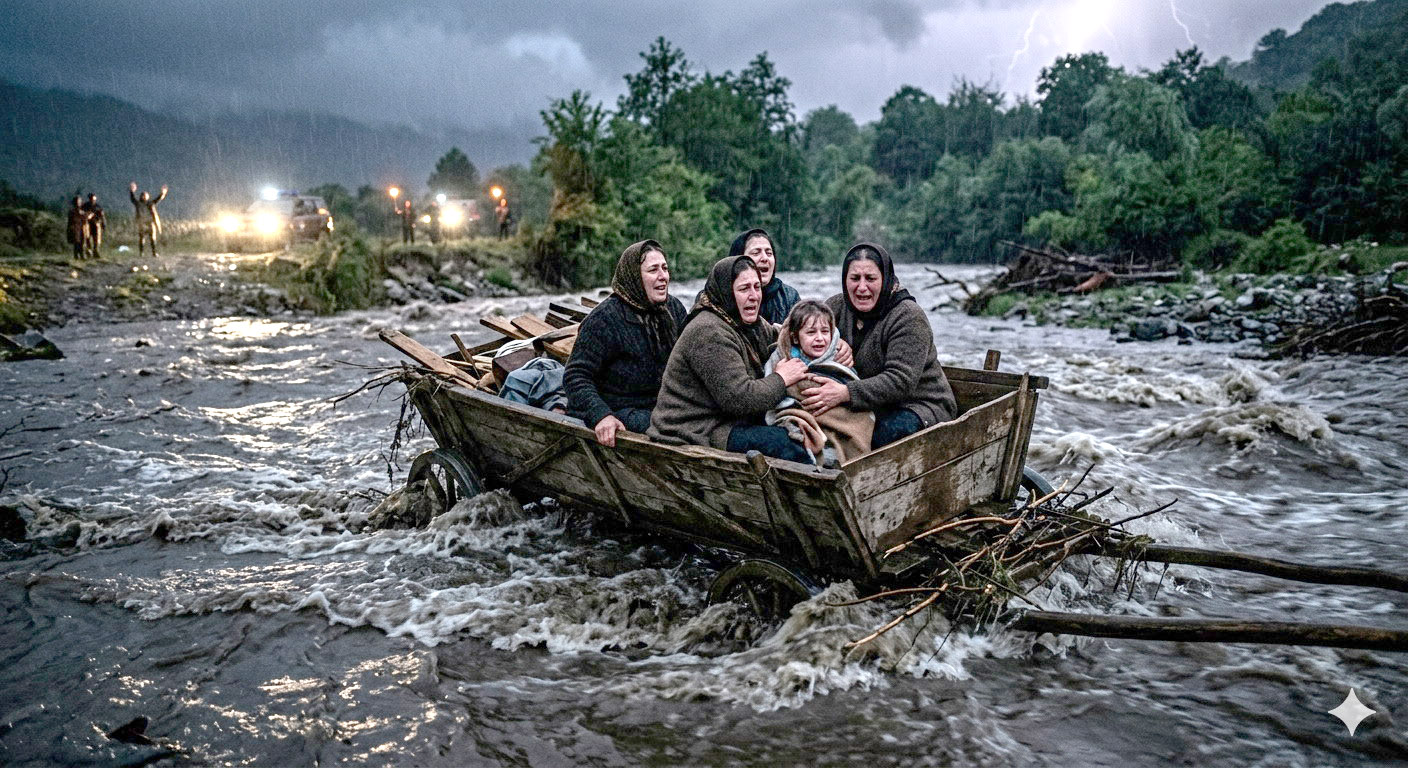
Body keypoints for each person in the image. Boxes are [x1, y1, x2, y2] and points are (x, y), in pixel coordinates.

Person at [647, 254, 811, 463]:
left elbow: (779, 337)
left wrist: (830, 338)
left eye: (757, 287)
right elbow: (740, 399)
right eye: (744, 289)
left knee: (801, 426)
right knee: (785, 443)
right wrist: (781, 378)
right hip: (693, 429)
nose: (754, 296)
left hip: (726, 421)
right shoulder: (708, 331)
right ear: (726, 292)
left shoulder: (744, 321)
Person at [805, 243, 957, 448]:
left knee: (877, 438)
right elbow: (800, 333)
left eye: (870, 279)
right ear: (845, 280)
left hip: (918, 405)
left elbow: (900, 381)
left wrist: (845, 393)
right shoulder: (836, 308)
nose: (861, 287)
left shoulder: (908, 317)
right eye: (854, 278)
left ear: (885, 279)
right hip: (868, 405)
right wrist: (834, 341)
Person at [565, 240, 687, 447]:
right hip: (620, 409)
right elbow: (576, 375)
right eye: (653, 270)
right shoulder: (605, 319)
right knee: (677, 430)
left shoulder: (673, 309)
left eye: (665, 268)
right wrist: (600, 415)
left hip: (663, 406)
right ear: (634, 276)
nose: (663, 276)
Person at [764, 300, 874, 466]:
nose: (820, 338)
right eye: (811, 332)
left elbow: (850, 383)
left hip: (839, 419)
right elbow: (774, 390)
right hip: (804, 417)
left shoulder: (838, 359)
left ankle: (839, 454)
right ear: (795, 337)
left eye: (825, 331)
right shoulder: (783, 361)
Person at [729, 228, 799, 325]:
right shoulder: (720, 296)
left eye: (769, 253)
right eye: (756, 253)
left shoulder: (789, 297)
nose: (765, 258)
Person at [129, 182, 168, 258]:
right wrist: (132, 191)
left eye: (145, 196)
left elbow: (158, 199)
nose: (143, 197)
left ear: (147, 197)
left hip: (150, 223)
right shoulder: (138, 204)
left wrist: (162, 193)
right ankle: (141, 253)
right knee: (142, 238)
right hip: (142, 223)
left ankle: (154, 253)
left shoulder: (150, 203)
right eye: (142, 196)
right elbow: (132, 199)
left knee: (152, 238)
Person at [82, 193, 106, 258]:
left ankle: (96, 251)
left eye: (93, 198)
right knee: (87, 239)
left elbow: (102, 216)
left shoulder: (98, 206)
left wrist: (103, 224)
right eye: (91, 198)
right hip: (88, 224)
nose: (92, 200)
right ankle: (89, 252)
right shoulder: (85, 206)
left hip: (96, 224)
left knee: (97, 239)